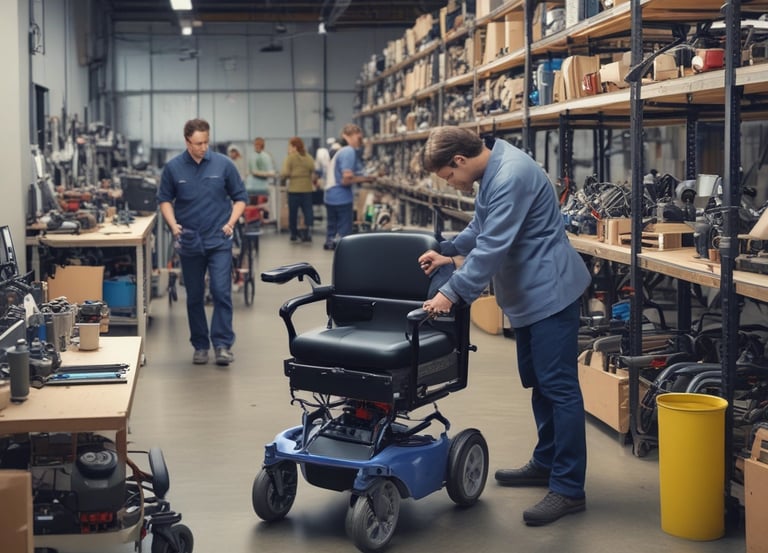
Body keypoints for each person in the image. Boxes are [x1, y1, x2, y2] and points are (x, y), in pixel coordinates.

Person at [418, 126, 591, 526]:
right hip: (530, 295)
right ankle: (546, 462)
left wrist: (452, 292)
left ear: (459, 161)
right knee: (539, 382)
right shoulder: (492, 169)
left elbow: (493, 247)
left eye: (448, 176)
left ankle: (568, 489)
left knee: (559, 388)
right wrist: (447, 251)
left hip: (550, 292)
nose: (451, 183)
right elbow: (481, 227)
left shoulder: (510, 174)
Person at [158, 118, 248, 366]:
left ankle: (222, 344)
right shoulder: (174, 168)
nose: (203, 147)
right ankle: (200, 345)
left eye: (206, 142)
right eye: (198, 143)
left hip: (219, 240)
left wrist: (231, 222)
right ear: (187, 141)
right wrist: (172, 223)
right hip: (189, 241)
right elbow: (164, 199)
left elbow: (240, 198)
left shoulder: (224, 165)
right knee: (195, 295)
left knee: (221, 292)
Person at [323, 124, 375, 250]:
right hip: (341, 197)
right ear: (349, 136)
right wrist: (367, 179)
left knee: (332, 227)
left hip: (330, 196)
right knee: (344, 231)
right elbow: (346, 179)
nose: (360, 141)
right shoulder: (348, 151)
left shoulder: (340, 151)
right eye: (359, 138)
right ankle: (343, 249)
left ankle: (331, 242)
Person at [281, 136, 316, 243]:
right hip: (307, 189)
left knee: (293, 213)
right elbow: (313, 170)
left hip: (294, 189)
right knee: (308, 212)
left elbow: (284, 173)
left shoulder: (290, 158)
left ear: (294, 147)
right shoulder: (309, 157)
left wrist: (289, 176)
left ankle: (294, 234)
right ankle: (308, 232)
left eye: (290, 146)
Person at [246, 136, 276, 204]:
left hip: (262, 187)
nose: (256, 146)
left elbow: (271, 172)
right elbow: (249, 171)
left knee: (262, 206)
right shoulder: (252, 156)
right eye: (255, 144)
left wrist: (258, 173)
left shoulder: (266, 156)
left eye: (258, 144)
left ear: (262, 145)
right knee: (252, 206)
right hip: (251, 187)